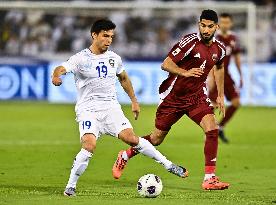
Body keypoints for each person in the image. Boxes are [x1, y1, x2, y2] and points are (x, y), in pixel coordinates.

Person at [52, 19, 187, 197]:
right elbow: (61, 67)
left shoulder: (114, 58)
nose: (109, 40)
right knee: (89, 145)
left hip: (110, 108)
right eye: (105, 36)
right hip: (88, 110)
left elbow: (123, 78)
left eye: (111, 37)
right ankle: (70, 186)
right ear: (94, 35)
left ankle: (169, 165)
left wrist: (134, 101)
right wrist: (56, 76)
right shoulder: (80, 58)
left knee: (132, 139)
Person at [112, 10, 230, 190]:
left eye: (210, 26)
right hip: (173, 97)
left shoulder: (220, 49)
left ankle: (209, 178)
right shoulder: (190, 42)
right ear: (199, 24)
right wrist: (185, 72)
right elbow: (165, 63)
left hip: (196, 97)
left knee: (212, 128)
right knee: (156, 138)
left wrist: (220, 94)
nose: (205, 30)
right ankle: (126, 155)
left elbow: (220, 67)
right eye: (203, 25)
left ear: (217, 27)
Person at [208, 13, 242, 143]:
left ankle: (220, 127)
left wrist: (241, 74)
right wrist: (211, 78)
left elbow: (237, 57)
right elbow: (211, 60)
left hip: (227, 75)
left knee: (236, 102)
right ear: (218, 24)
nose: (224, 25)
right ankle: (210, 130)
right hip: (216, 75)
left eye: (227, 22)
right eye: (222, 22)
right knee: (213, 105)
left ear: (231, 24)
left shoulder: (233, 38)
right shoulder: (214, 39)